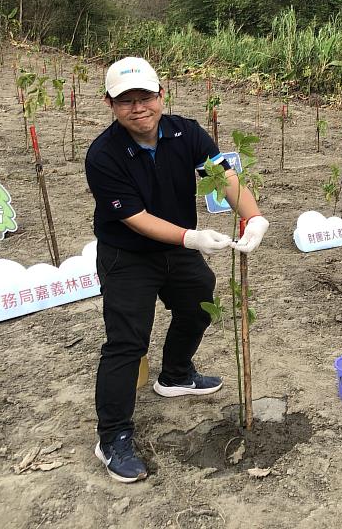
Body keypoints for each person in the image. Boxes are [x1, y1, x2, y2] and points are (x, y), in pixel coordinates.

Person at [84, 57, 269, 483]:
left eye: (145, 97)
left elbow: (222, 177)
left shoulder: (186, 131)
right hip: (127, 253)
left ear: (160, 95)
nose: (138, 108)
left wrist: (253, 217)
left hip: (178, 246)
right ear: (110, 104)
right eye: (125, 100)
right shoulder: (104, 155)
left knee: (200, 301)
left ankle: (176, 373)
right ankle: (112, 436)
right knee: (127, 342)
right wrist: (193, 237)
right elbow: (134, 218)